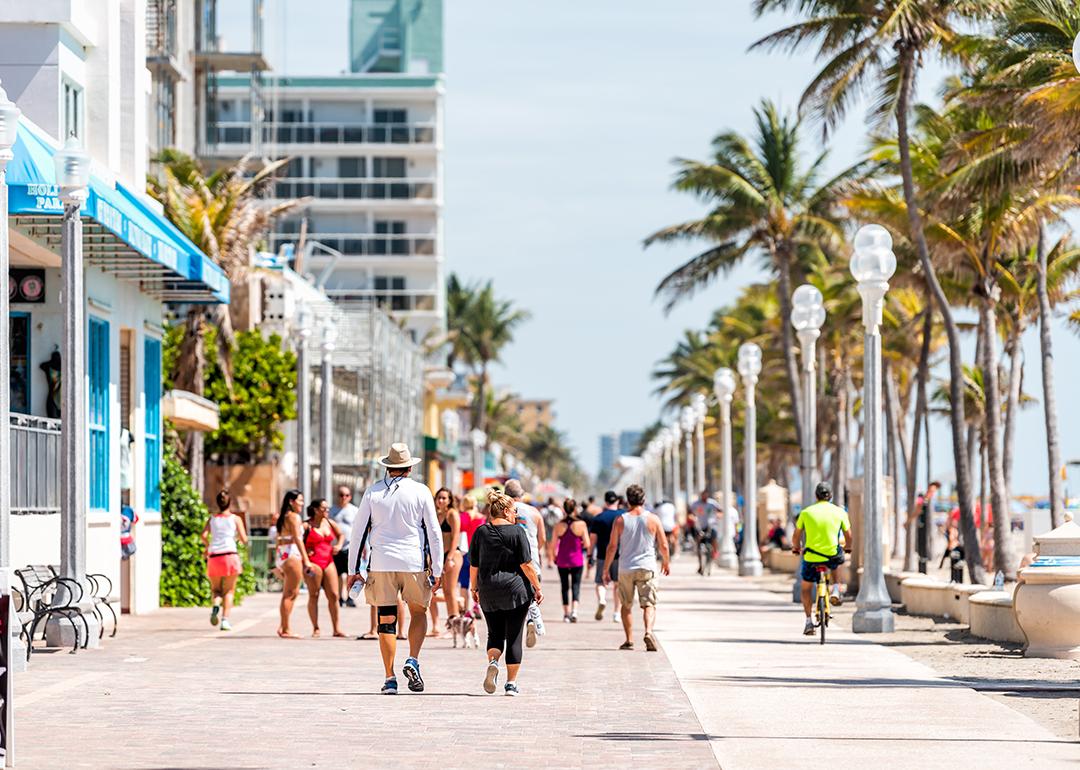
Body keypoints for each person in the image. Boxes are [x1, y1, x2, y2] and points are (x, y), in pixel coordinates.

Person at [348, 443, 443, 695]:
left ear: (388, 467)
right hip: (413, 562)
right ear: (410, 467)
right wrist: (438, 568)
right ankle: (412, 658)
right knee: (418, 612)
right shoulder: (421, 491)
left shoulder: (373, 492)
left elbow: (357, 534)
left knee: (386, 619)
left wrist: (352, 570)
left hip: (381, 563)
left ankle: (390, 678)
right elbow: (434, 532)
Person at [469, 489, 543, 696]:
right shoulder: (518, 531)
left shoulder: (481, 532)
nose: (516, 514)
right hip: (515, 591)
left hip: (488, 590)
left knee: (494, 633)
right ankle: (511, 684)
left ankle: (493, 662)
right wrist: (537, 587)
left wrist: (474, 588)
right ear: (506, 511)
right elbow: (527, 565)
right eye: (514, 510)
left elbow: (473, 566)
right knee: (514, 637)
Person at [603, 484, 670, 651]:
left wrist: (606, 569)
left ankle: (629, 640)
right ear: (643, 499)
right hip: (647, 567)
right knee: (649, 604)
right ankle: (648, 632)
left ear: (627, 501)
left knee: (626, 605)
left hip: (626, 567)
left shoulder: (620, 520)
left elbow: (612, 547)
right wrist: (666, 562)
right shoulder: (653, 519)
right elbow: (663, 544)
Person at [792, 482, 853, 636]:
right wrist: (848, 548)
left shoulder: (806, 512)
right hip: (831, 554)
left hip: (811, 555)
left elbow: (796, 536)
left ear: (816, 496)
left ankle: (808, 621)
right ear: (830, 496)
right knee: (837, 560)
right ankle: (837, 589)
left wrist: (796, 548)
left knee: (806, 588)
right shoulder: (839, 512)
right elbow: (849, 536)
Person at [505, 479, 547, 647]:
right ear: (521, 495)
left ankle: (519, 628)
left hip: (510, 562)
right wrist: (534, 550)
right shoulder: (535, 512)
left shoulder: (504, 511)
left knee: (514, 598)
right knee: (532, 595)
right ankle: (531, 619)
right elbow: (542, 538)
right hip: (532, 561)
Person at [201, 490, 248, 632]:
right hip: (230, 555)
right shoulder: (235, 519)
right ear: (230, 502)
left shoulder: (212, 519)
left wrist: (208, 546)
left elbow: (203, 535)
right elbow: (244, 539)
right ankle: (225, 620)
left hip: (214, 556)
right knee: (229, 591)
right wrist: (236, 539)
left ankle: (216, 605)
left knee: (216, 590)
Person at [303, 498, 346, 638]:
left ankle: (336, 628)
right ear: (315, 510)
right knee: (314, 595)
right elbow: (296, 540)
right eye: (324, 508)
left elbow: (341, 535)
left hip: (328, 561)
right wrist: (305, 553)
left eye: (327, 508)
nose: (327, 511)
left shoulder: (329, 523)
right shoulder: (306, 525)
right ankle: (316, 628)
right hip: (313, 562)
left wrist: (339, 545)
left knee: (334, 595)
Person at [275, 489, 314, 639]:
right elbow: (298, 539)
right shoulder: (294, 517)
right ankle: (286, 629)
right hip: (291, 553)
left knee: (291, 592)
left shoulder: (284, 516)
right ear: (291, 502)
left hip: (283, 553)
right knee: (290, 593)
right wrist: (306, 560)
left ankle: (283, 625)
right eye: (300, 500)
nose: (302, 504)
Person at [548, 498, 590, 622]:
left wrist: (553, 557)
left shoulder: (559, 525)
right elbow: (587, 544)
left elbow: (552, 545)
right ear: (575, 509)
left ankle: (566, 614)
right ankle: (575, 611)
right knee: (576, 585)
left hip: (562, 559)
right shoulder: (581, 524)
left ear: (564, 510)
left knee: (565, 586)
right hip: (577, 560)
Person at [430, 487, 462, 635]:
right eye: (439, 498)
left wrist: (449, 558)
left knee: (449, 591)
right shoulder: (436, 515)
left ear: (449, 500)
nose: (441, 500)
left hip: (452, 554)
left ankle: (454, 626)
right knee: (434, 590)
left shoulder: (452, 514)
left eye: (444, 498)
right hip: (439, 556)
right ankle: (437, 626)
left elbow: (456, 536)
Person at [589, 491, 624, 621]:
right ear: (617, 501)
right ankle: (616, 613)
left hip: (602, 555)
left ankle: (602, 599)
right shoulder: (622, 516)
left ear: (605, 501)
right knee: (618, 584)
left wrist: (589, 554)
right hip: (619, 554)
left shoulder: (598, 518)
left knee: (600, 582)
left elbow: (593, 539)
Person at [330, 485, 359, 607]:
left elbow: (359, 529)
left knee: (349, 574)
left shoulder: (354, 510)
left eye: (346, 495)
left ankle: (349, 597)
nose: (344, 497)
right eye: (341, 495)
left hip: (350, 547)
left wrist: (363, 547)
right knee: (337, 574)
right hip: (336, 548)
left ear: (350, 497)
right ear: (338, 496)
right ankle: (339, 597)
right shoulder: (331, 511)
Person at [457, 495, 483, 601]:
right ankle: (476, 606)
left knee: (464, 583)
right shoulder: (480, 518)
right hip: (478, 552)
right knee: (477, 582)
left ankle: (464, 610)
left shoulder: (460, 517)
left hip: (463, 552)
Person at [689, 491, 722, 575]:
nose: (705, 498)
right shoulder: (696, 504)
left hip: (711, 526)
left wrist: (718, 515)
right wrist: (692, 518)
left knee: (714, 538)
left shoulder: (712, 503)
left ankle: (714, 553)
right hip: (700, 526)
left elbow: (720, 511)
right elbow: (690, 513)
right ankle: (700, 565)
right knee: (699, 543)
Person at [911, 481, 941, 573]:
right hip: (922, 527)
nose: (933, 491)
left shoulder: (931, 501)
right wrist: (909, 521)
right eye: (932, 489)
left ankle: (925, 567)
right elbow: (917, 509)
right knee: (921, 547)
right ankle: (922, 569)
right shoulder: (922, 498)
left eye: (935, 489)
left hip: (929, 528)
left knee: (927, 546)